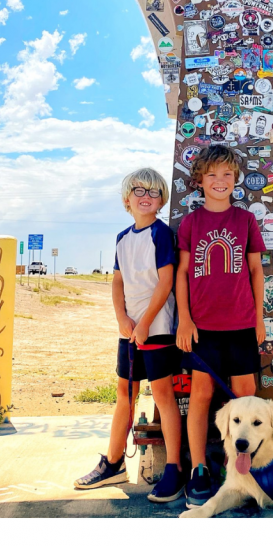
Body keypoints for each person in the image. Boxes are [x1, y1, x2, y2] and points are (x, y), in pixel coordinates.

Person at [75, 168, 185, 501]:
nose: (146, 197)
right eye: (139, 191)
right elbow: (118, 282)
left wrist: (145, 322)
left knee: (163, 397)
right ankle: (113, 463)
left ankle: (175, 469)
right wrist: (122, 318)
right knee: (125, 393)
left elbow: (166, 283)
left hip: (159, 329)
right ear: (127, 199)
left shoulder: (162, 234)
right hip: (130, 332)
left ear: (161, 200)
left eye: (153, 192)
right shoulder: (122, 238)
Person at [176, 144, 266, 507]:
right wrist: (185, 318)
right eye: (212, 174)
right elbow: (182, 273)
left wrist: (259, 317)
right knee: (200, 397)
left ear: (235, 180)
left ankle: (244, 472)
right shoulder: (190, 223)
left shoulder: (245, 220)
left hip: (242, 324)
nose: (220, 181)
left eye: (227, 174)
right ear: (199, 181)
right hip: (203, 328)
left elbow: (257, 270)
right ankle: (199, 469)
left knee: (245, 400)